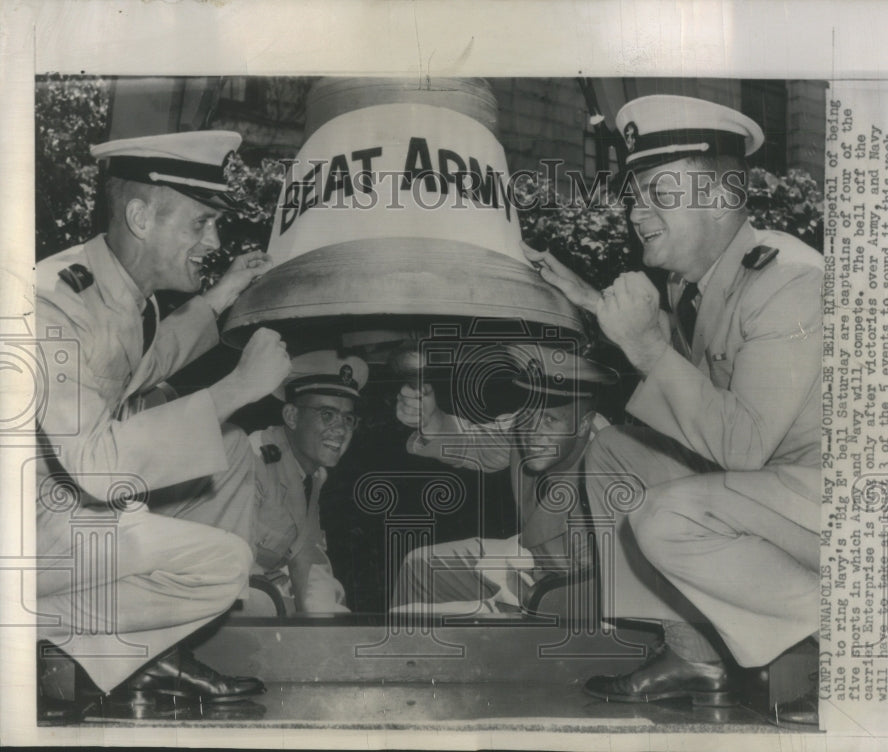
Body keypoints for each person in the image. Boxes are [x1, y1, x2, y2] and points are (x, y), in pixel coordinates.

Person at [523, 95, 822, 723]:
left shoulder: (791, 279)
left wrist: (645, 345)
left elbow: (741, 446)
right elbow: (697, 403)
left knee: (667, 516)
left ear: (718, 198)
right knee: (613, 453)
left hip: (847, 514)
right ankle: (695, 657)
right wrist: (601, 312)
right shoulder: (701, 282)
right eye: (635, 194)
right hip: (786, 498)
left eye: (657, 192)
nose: (636, 212)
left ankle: (842, 643)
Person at [35, 131, 291, 719]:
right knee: (223, 563)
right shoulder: (50, 301)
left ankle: (147, 652)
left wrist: (220, 297)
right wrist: (236, 387)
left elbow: (138, 366)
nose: (215, 240)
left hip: (65, 516)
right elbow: (98, 466)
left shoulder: (122, 296)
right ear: (141, 217)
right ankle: (54, 648)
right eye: (201, 223)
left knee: (226, 454)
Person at [391, 345, 616, 613]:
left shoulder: (610, 475)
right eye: (527, 415)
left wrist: (496, 610)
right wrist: (430, 419)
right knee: (419, 565)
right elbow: (472, 443)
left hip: (572, 598)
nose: (532, 432)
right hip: (530, 561)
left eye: (549, 420)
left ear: (583, 425)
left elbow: (597, 596)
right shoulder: (529, 427)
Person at [246, 351, 368, 615]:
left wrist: (330, 625)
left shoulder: (311, 475)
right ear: (291, 416)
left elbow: (309, 559)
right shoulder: (252, 461)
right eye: (327, 414)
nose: (340, 429)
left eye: (348, 419)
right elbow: (226, 566)